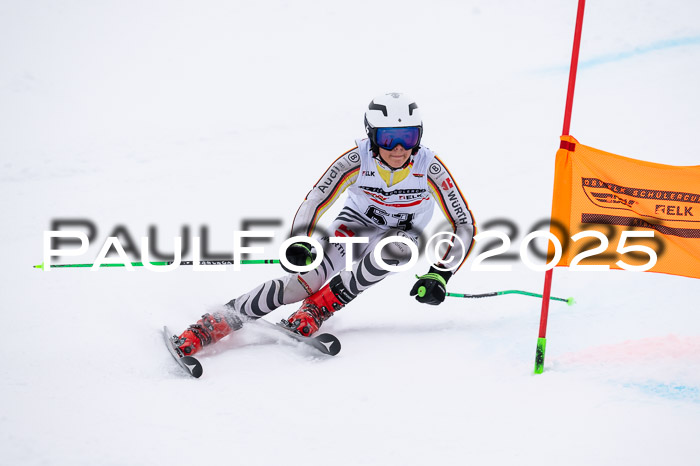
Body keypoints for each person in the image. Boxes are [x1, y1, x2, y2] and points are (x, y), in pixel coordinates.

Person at [173, 92, 476, 356]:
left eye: (408, 137)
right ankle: (212, 324)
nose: (399, 149)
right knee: (300, 285)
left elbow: (463, 223)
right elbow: (316, 199)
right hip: (356, 225)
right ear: (372, 136)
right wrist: (302, 241)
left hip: (402, 234)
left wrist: (441, 273)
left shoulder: (429, 167)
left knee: (396, 251)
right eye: (388, 138)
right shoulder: (356, 161)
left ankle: (319, 307)